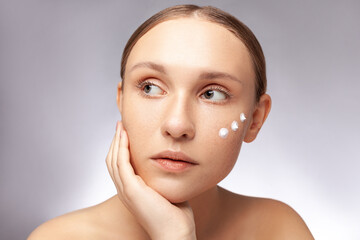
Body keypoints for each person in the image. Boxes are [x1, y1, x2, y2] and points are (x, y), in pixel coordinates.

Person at [28, 4, 314, 240]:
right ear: (122, 100)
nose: (177, 126)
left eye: (212, 94)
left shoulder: (279, 230)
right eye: (150, 87)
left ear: (255, 119)